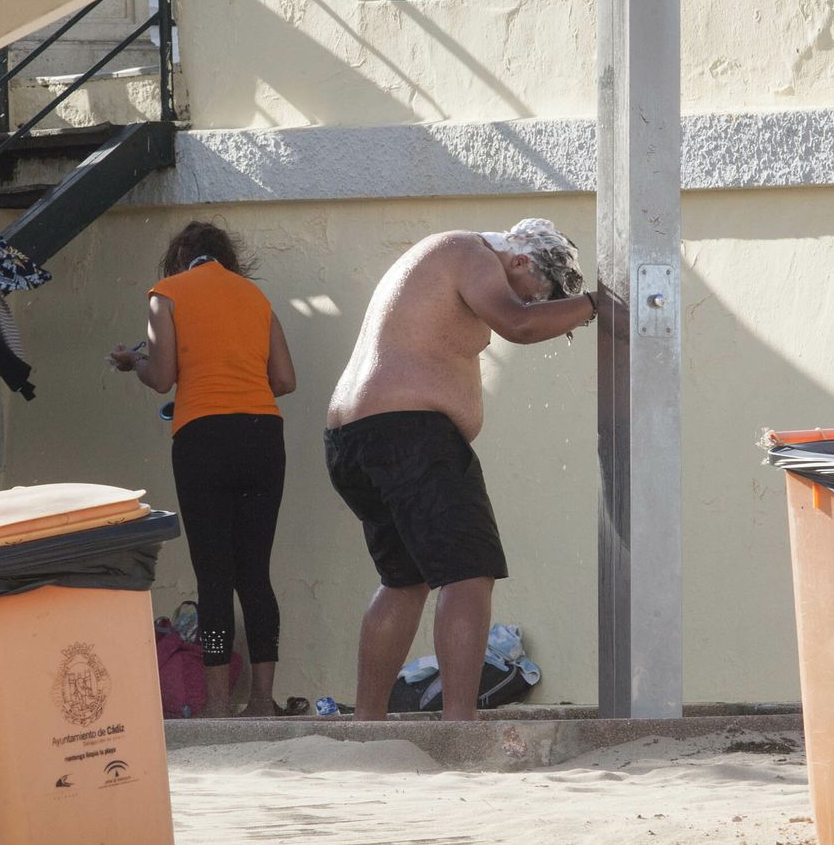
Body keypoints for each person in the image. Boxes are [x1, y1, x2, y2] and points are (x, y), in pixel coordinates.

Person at [325, 217, 596, 722]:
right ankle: (459, 727)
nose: (530, 304)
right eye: (532, 293)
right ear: (520, 259)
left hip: (357, 440)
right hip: (409, 436)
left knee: (403, 581)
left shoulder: (439, 259)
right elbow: (520, 324)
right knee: (470, 573)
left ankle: (367, 724)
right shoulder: (470, 254)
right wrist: (601, 304)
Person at [110, 220, 298, 718]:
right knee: (255, 574)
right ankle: (262, 701)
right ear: (227, 257)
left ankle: (216, 703)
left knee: (214, 574)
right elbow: (284, 379)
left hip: (203, 438)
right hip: (262, 436)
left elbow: (162, 377)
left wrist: (133, 362)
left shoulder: (167, 293)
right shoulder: (256, 298)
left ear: (179, 258)